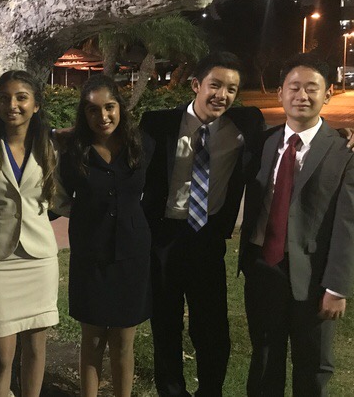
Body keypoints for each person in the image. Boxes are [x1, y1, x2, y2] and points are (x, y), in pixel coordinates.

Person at [140, 51, 265, 397]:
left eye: (231, 89)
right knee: (165, 325)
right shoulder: (158, 124)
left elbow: (283, 135)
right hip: (165, 237)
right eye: (215, 85)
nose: (222, 95)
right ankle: (172, 391)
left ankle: (210, 390)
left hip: (207, 238)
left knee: (212, 328)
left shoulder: (245, 126)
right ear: (196, 85)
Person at [239, 54, 354, 396]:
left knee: (313, 364)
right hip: (263, 267)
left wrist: (337, 287)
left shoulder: (344, 151)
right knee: (263, 357)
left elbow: (348, 224)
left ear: (328, 94)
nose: (302, 95)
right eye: (294, 87)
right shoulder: (264, 141)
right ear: (280, 94)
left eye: (311, 88)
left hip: (315, 276)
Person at [55, 74, 154, 397]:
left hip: (132, 256)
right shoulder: (74, 153)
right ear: (83, 115)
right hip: (90, 256)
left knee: (124, 342)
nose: (103, 117)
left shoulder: (142, 144)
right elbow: (59, 198)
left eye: (109, 107)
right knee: (93, 339)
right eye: (93, 110)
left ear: (120, 107)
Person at [0, 70, 59, 397]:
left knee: (37, 350)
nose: (13, 105)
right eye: (5, 98)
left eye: (22, 97)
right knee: (1, 354)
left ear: (35, 104)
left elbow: (59, 197)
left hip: (39, 258)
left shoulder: (49, 143)